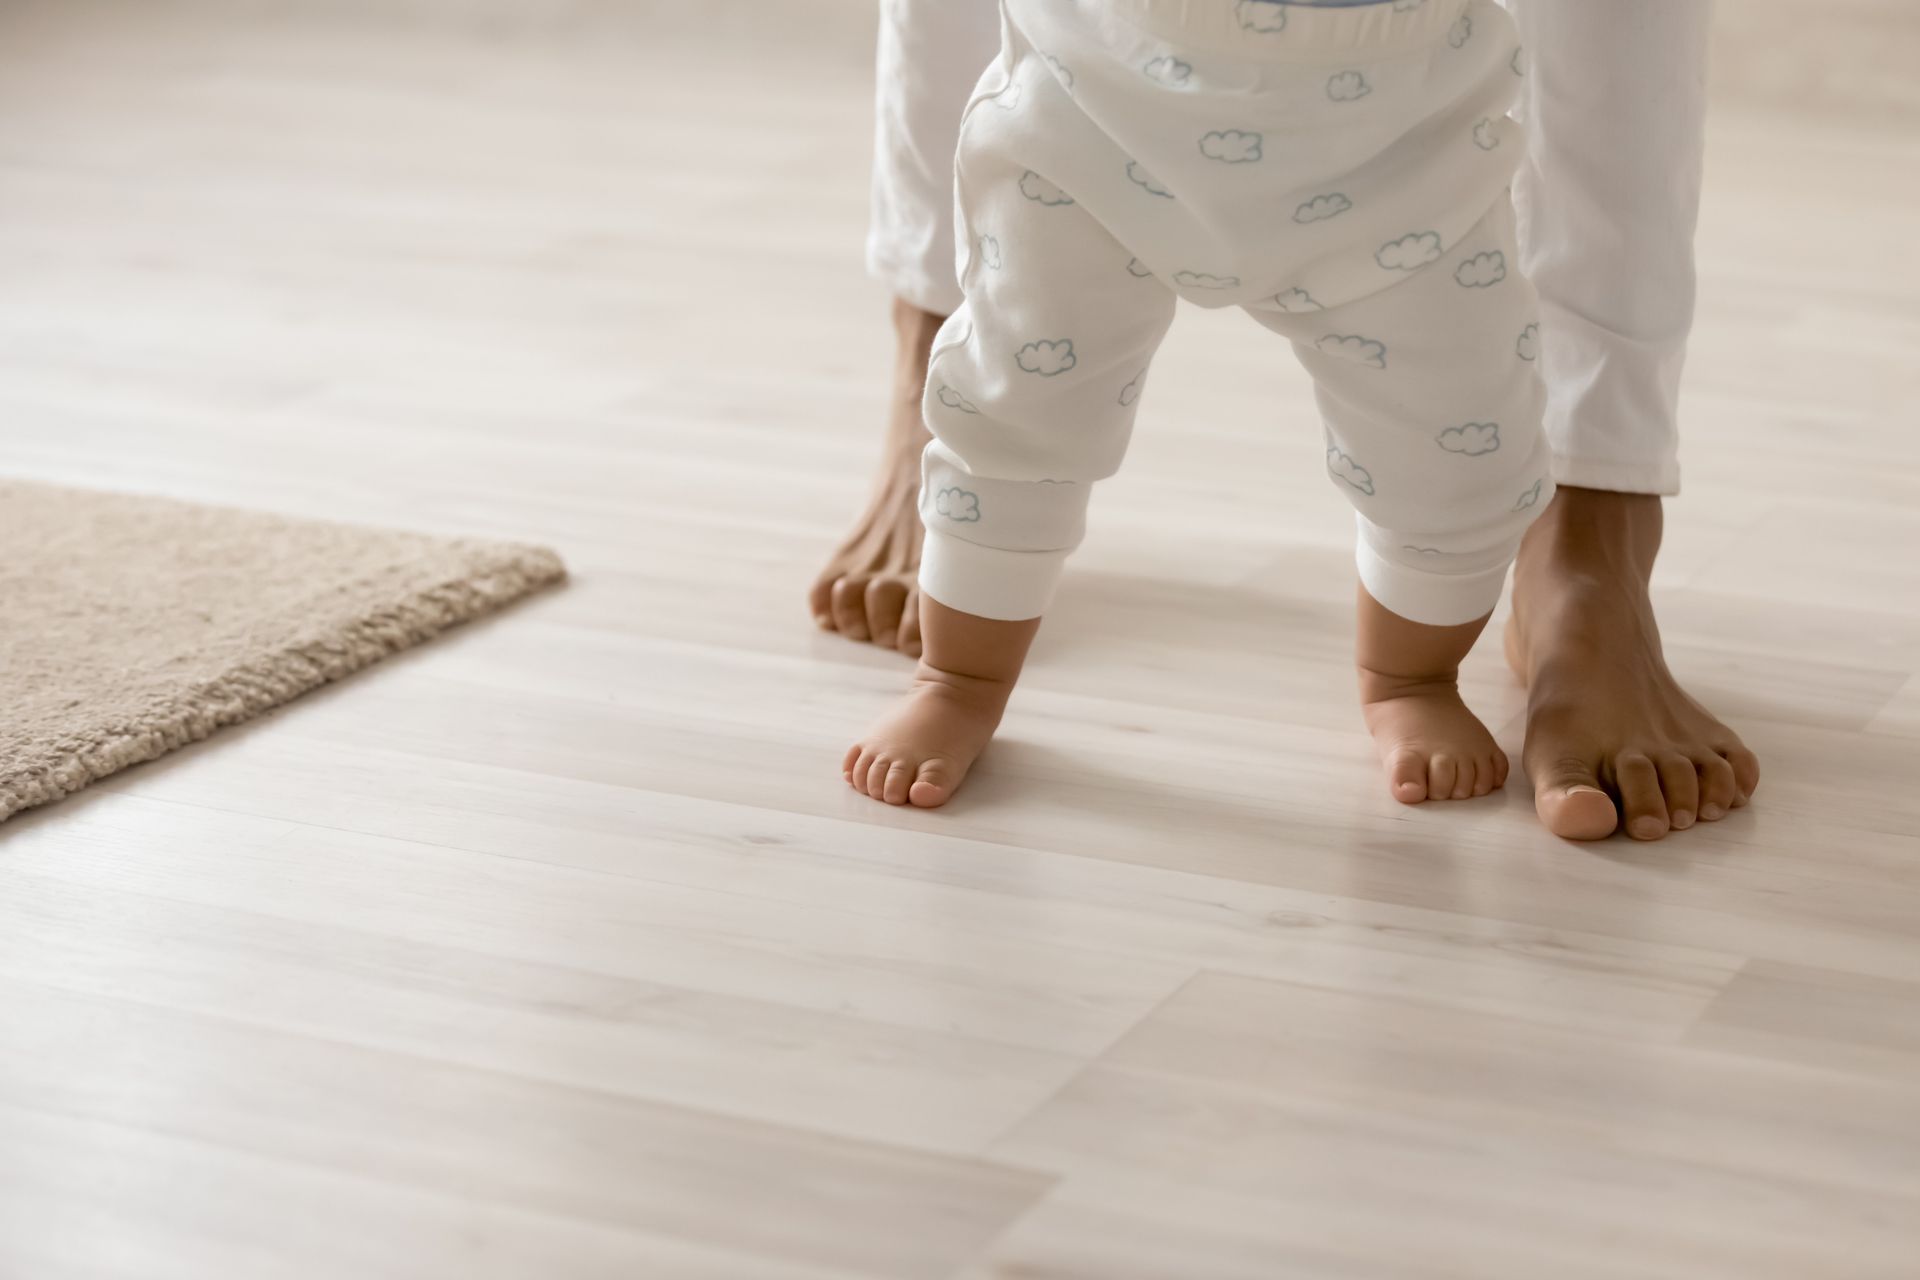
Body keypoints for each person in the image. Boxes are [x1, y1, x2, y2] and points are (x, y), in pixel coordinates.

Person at [816, 0, 1760, 841]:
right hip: (1092, 103)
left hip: (1400, 144)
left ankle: (1408, 679)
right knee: (1014, 415)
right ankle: (961, 681)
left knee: (1457, 454)